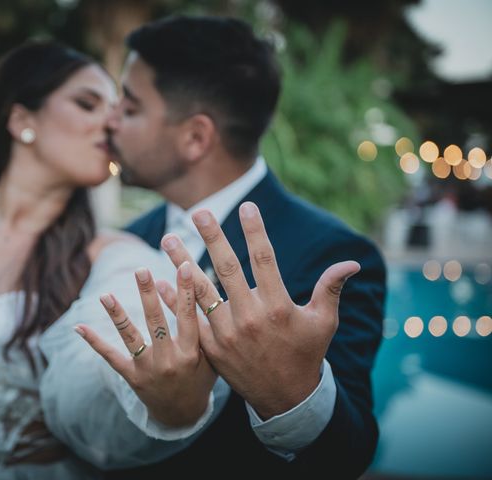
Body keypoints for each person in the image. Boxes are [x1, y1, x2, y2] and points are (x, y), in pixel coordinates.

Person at [0, 39, 228, 480]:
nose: (111, 122)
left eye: (119, 109)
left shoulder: (110, 258)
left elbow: (122, 396)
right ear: (20, 119)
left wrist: (172, 400)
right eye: (87, 103)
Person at [79, 14, 386, 479]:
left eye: (132, 106)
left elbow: (346, 455)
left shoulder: (332, 256)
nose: (111, 120)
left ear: (195, 137)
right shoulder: (127, 238)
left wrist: (291, 396)